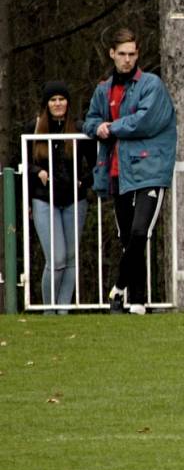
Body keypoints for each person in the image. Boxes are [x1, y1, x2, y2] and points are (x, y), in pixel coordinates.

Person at [83, 28, 177, 314]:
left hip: (150, 167)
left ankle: (118, 289)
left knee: (139, 233)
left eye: (132, 54)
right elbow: (89, 121)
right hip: (118, 171)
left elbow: (145, 120)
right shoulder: (104, 89)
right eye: (122, 54)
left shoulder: (151, 84)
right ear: (112, 54)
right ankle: (137, 302)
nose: (127, 59)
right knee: (128, 239)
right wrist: (96, 127)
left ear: (138, 54)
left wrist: (111, 127)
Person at [23, 81, 95, 310]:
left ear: (68, 102)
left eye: (61, 99)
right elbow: (22, 165)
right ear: (46, 104)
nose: (57, 103)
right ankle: (49, 309)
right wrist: (38, 172)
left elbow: (96, 165)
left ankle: (63, 310)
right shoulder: (33, 129)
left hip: (75, 200)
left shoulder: (79, 128)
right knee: (56, 258)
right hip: (44, 199)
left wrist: (83, 181)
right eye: (53, 100)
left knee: (71, 258)